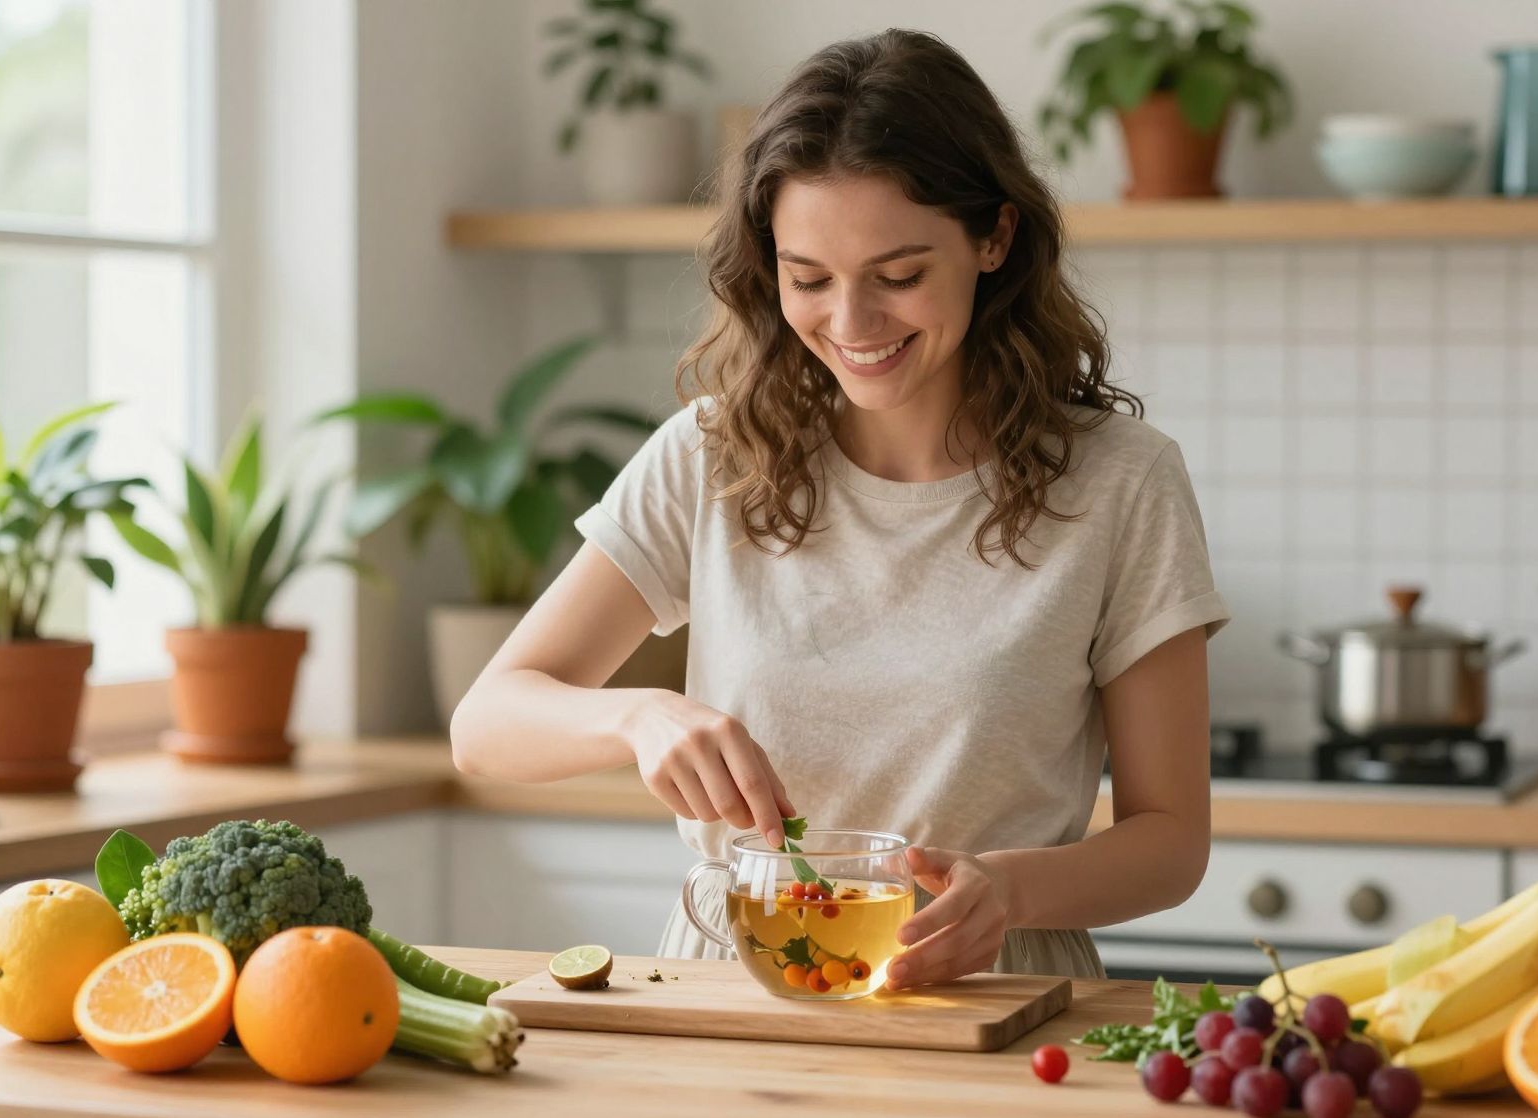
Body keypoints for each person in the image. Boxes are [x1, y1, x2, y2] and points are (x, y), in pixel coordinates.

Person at [451, 29, 1229, 990]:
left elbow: (1171, 842)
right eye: (808, 279)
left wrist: (1009, 890)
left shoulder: (1122, 483)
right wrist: (638, 721)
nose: (851, 326)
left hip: (988, 990)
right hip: (737, 987)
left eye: (899, 277)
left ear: (995, 238)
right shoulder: (711, 455)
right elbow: (484, 725)